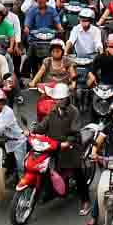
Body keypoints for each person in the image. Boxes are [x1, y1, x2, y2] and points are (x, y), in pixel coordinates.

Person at [31, 82, 92, 215]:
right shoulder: (52, 111)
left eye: (62, 98)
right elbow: (43, 126)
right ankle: (49, 192)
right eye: (57, 99)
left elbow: (75, 131)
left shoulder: (74, 111)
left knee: (78, 172)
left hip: (71, 146)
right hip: (54, 146)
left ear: (67, 98)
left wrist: (68, 142)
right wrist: (32, 131)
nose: (59, 101)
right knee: (44, 166)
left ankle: (86, 201)